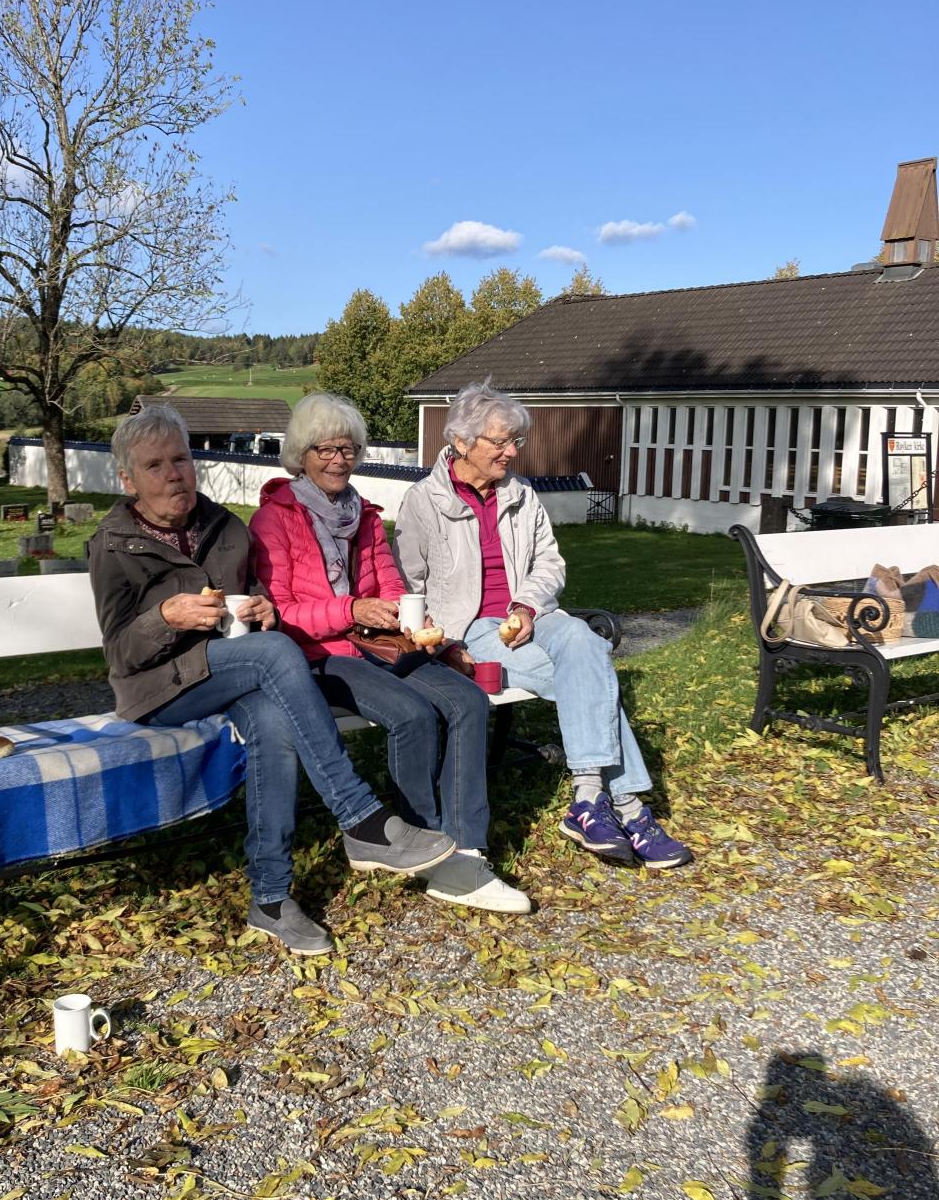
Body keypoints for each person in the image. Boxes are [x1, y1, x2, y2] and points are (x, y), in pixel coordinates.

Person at [89, 403, 457, 956]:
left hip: (233, 672)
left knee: (272, 724)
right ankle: (360, 816)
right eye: (155, 465)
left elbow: (266, 606)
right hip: (158, 688)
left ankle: (270, 897)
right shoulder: (114, 545)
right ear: (128, 479)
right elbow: (120, 653)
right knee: (275, 654)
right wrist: (164, 618)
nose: (174, 474)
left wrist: (262, 610)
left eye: (182, 459)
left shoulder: (224, 528)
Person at [249, 392, 530, 914]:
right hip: (315, 655)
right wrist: (353, 608)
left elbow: (391, 584)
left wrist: (416, 620)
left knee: (467, 700)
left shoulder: (366, 515)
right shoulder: (275, 520)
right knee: (411, 714)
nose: (339, 461)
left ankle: (466, 847)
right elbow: (280, 612)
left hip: (378, 644)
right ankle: (420, 845)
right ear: (301, 455)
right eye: (325, 450)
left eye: (349, 449)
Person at [393, 380, 693, 869]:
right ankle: (630, 808)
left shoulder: (522, 495)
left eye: (517, 442)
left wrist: (528, 606)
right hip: (467, 632)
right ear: (462, 442)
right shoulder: (423, 501)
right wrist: (441, 640)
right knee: (590, 675)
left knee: (584, 641)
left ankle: (588, 799)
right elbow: (409, 584)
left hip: (528, 616)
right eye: (501, 442)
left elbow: (549, 564)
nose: (511, 452)